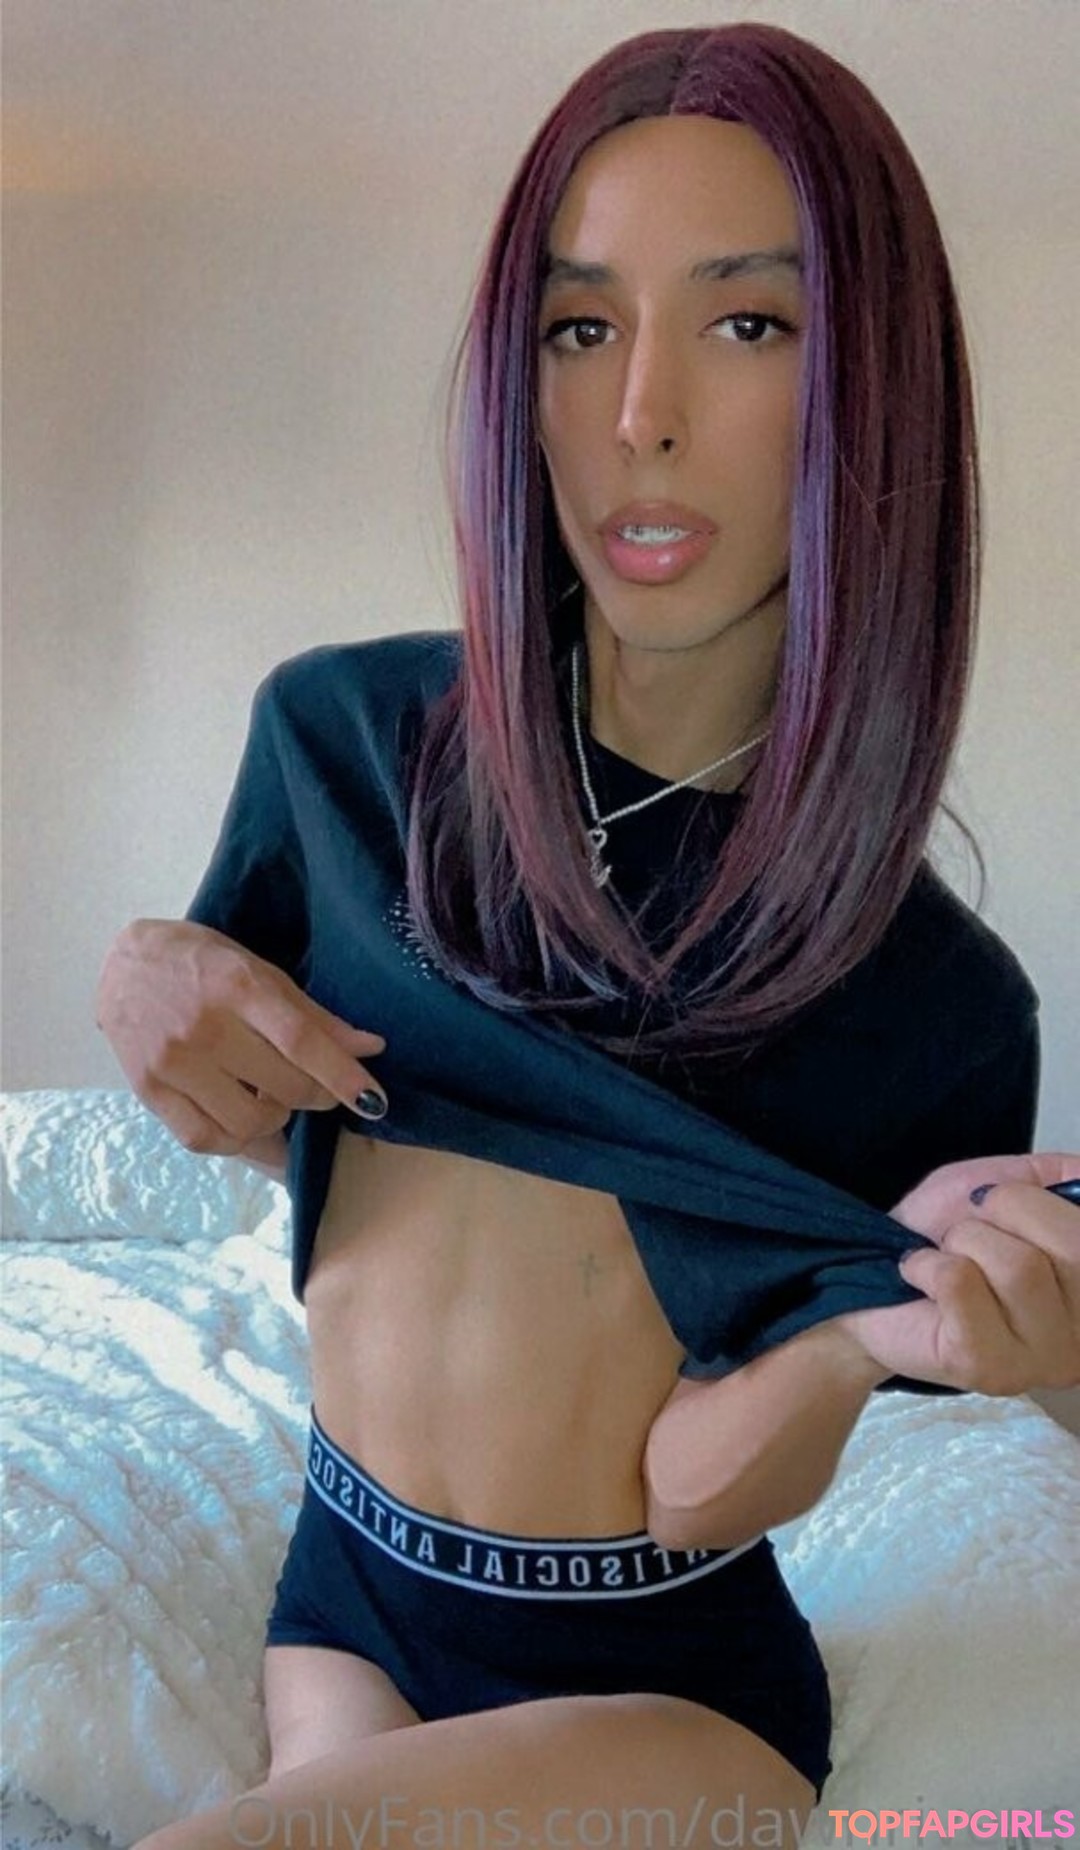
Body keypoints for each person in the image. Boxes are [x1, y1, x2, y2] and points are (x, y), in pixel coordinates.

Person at [96, 23, 1079, 1849]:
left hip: (663, 1683)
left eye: (748, 323)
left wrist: (879, 1336)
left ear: (873, 394)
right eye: (577, 326)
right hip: (344, 1585)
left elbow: (697, 1484)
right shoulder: (343, 745)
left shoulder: (932, 1004)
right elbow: (245, 1110)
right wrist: (146, 976)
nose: (641, 412)